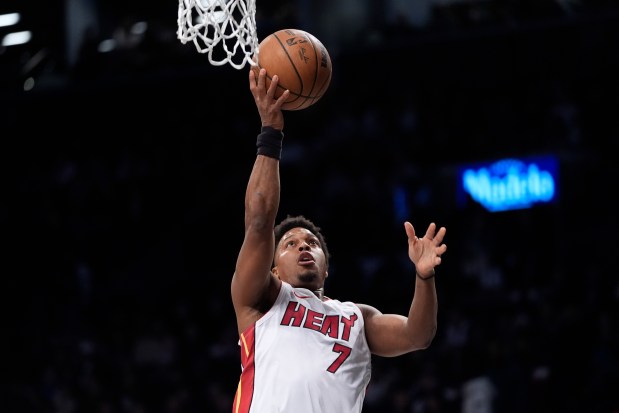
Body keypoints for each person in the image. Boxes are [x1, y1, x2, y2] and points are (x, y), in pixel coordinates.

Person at [230, 68, 448, 413]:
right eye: (290, 244)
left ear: (326, 269)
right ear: (272, 267)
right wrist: (270, 133)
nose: (303, 246)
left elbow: (418, 335)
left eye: (311, 243)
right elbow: (258, 221)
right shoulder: (262, 301)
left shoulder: (356, 317)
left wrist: (424, 276)